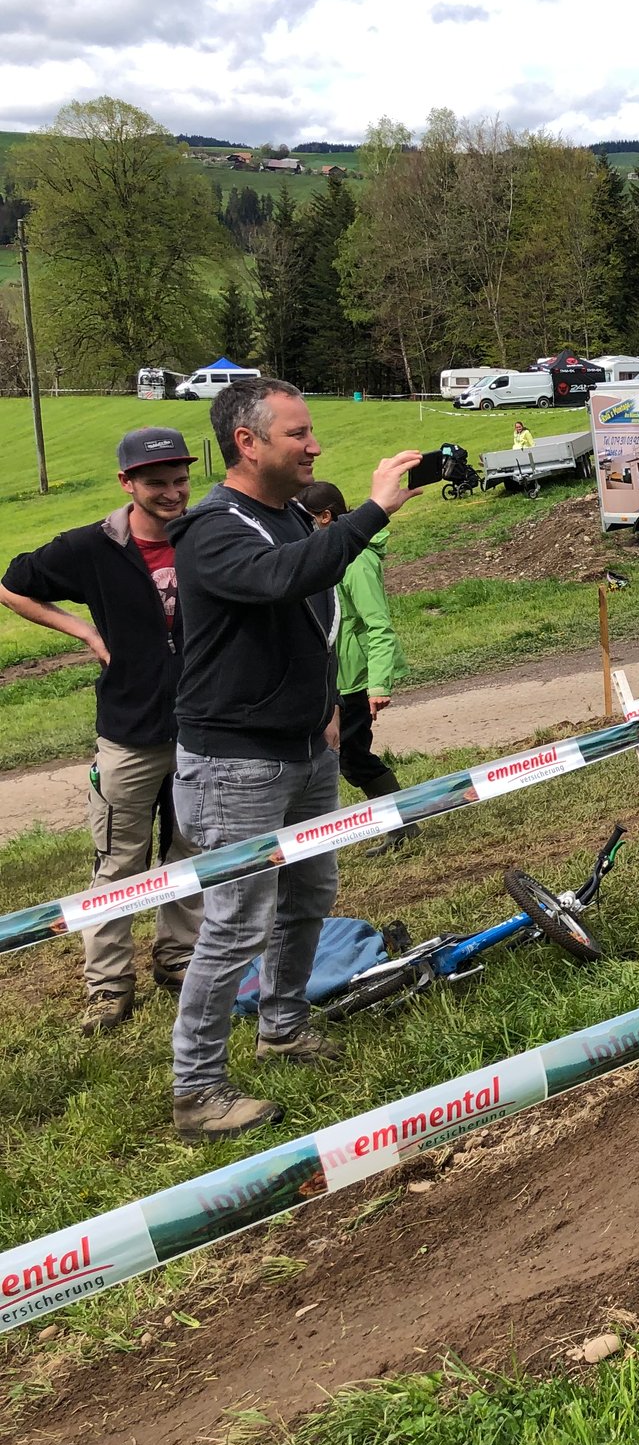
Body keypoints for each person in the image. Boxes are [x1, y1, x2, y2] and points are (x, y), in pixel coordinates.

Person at [166, 378, 424, 1141]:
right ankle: (196, 1090)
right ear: (247, 443)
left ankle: (282, 1025)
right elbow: (284, 580)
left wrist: (326, 711)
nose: (314, 446)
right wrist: (373, 510)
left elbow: (315, 613)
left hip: (306, 748)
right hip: (234, 764)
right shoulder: (212, 529)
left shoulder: (285, 517)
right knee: (235, 924)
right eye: (298, 434)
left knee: (311, 894)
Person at [0, 428, 205, 1035]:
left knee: (191, 848)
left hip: (202, 725)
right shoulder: (92, 547)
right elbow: (12, 585)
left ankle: (178, 957)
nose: (172, 493)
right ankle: (108, 986)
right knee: (119, 861)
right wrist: (86, 632)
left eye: (180, 480)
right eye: (156, 482)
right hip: (129, 730)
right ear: (126, 483)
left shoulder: (205, 533)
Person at [297, 482, 407, 824]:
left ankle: (403, 824)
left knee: (353, 758)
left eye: (305, 518)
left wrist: (378, 685)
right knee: (343, 756)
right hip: (335, 679)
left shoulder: (356, 562)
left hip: (356, 680)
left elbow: (379, 624)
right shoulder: (327, 556)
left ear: (325, 517)